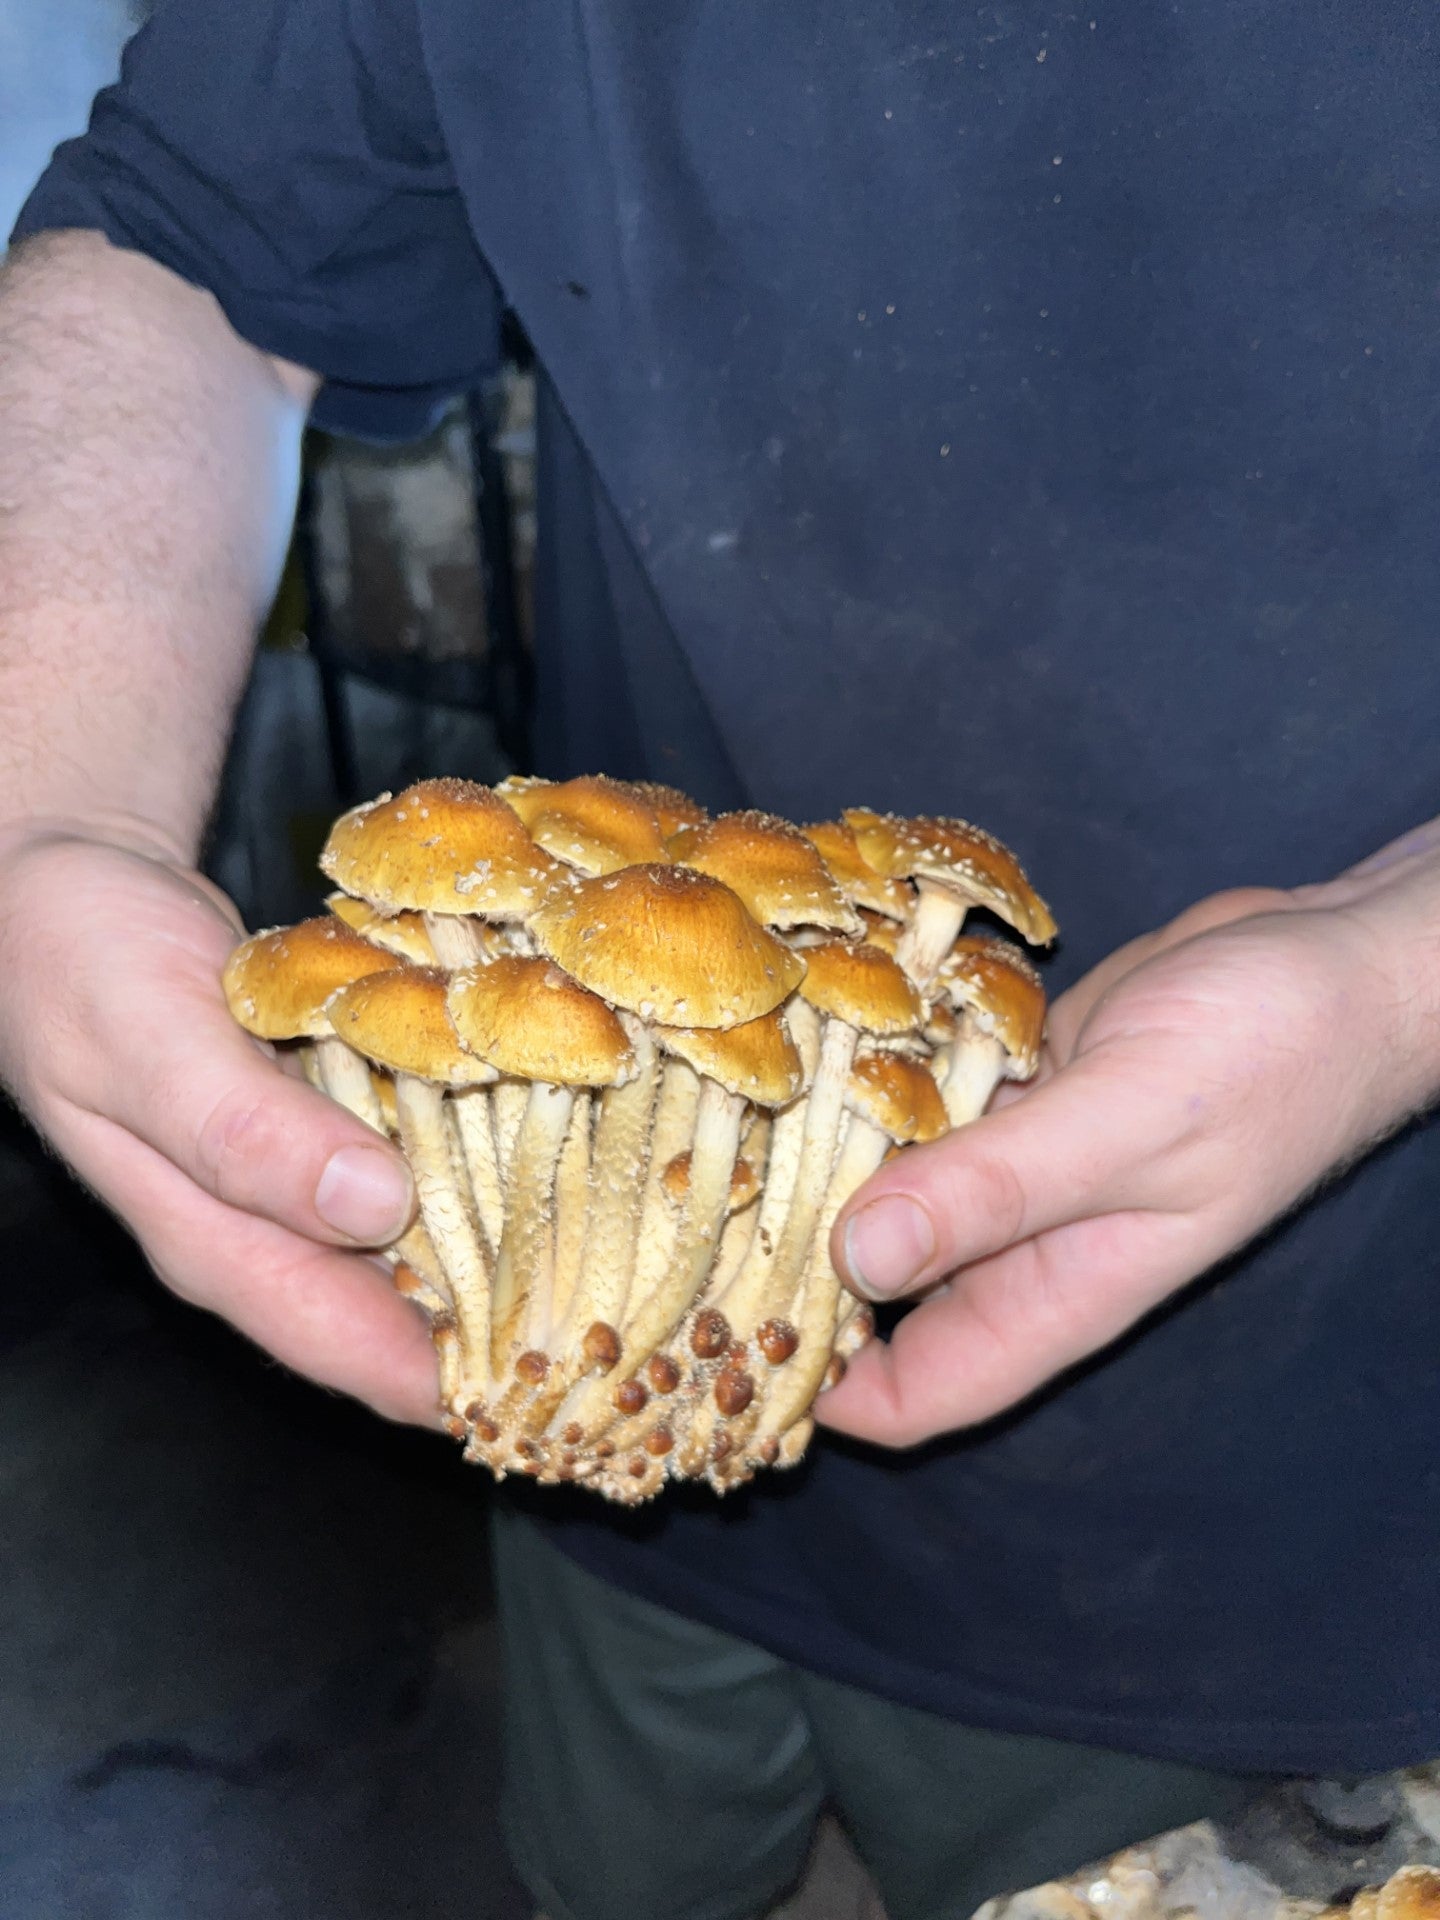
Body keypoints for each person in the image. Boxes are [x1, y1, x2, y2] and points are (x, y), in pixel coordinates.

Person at [2, 4, 1438, 1918]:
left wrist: (1401, 977)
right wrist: (45, 809)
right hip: (591, 1355)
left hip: (1298, 1453)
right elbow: (190, 232)